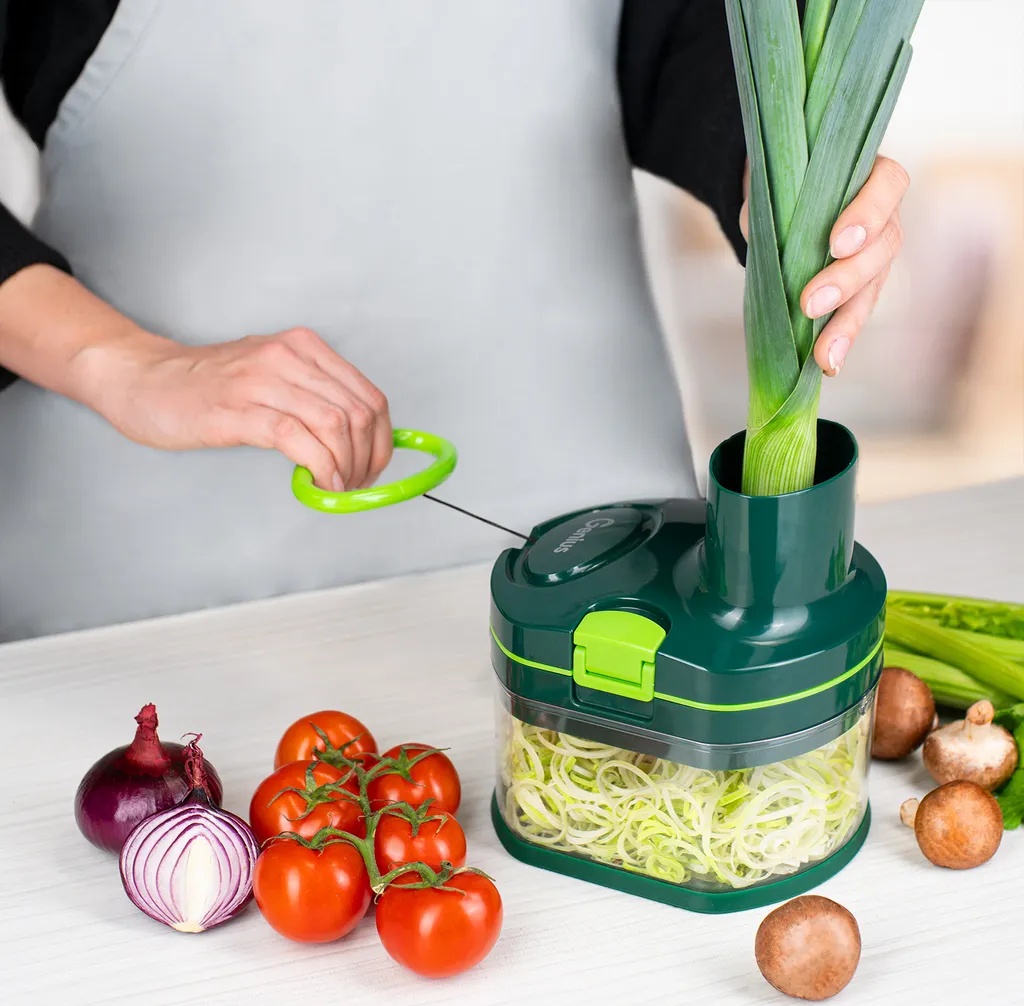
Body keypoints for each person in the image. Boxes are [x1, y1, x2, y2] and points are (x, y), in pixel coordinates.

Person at [0, 1, 908, 642]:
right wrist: (122, 361)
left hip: (583, 538)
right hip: (144, 580)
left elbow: (688, 42)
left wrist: (790, 183)